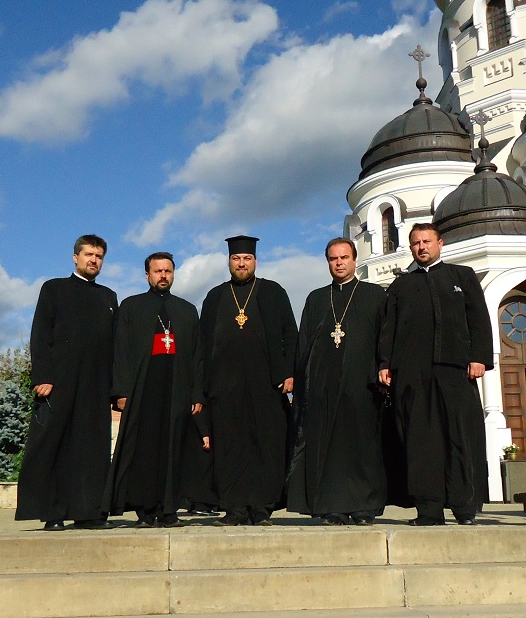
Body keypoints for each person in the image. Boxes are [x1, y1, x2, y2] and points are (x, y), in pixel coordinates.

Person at [378, 223, 494, 525]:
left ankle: (464, 508)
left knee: (459, 436)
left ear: (440, 243)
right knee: (420, 442)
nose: (421, 247)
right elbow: (389, 328)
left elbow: (478, 319)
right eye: (416, 243)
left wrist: (479, 357)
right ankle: (428, 510)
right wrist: (385, 363)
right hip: (412, 374)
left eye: (426, 241)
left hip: (455, 371)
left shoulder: (461, 276)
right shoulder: (401, 286)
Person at [15, 234, 117, 531]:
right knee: (54, 445)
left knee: (92, 448)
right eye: (89, 254)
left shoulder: (108, 297)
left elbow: (115, 345)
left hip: (96, 384)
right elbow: (40, 334)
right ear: (76, 257)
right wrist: (43, 376)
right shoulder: (54, 289)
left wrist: (116, 388)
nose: (93, 260)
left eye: (99, 256)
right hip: (60, 381)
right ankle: (53, 513)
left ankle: (89, 512)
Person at [287, 237, 388, 525]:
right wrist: (300, 384)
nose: (339, 263)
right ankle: (332, 506)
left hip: (363, 385)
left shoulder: (374, 295)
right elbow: (304, 344)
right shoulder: (317, 299)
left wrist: (384, 366)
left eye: (344, 257)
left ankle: (363, 507)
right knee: (329, 448)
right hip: (323, 387)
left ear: (355, 259)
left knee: (362, 446)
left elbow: (385, 336)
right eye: (333, 259)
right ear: (328, 262)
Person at [199, 235, 297, 526]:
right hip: (224, 386)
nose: (241, 263)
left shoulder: (272, 292)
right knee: (229, 448)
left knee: (265, 445)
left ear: (255, 261)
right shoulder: (215, 296)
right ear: (229, 262)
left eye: (246, 259)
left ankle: (261, 507)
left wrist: (289, 372)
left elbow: (290, 334)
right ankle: (234, 508)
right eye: (236, 259)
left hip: (266, 384)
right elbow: (203, 344)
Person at [105, 252, 203, 527]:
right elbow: (120, 351)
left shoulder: (186, 310)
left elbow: (197, 356)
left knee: (174, 450)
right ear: (147, 274)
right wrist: (121, 392)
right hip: (143, 390)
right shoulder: (132, 306)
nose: (163, 276)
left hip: (176, 389)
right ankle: (146, 511)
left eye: (168, 271)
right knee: (144, 451)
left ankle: (170, 510)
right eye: (158, 271)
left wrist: (197, 393)